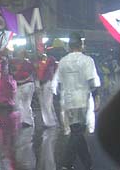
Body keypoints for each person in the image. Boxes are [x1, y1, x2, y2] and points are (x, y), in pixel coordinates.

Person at [53, 32, 100, 170]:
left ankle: (87, 162)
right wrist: (96, 96)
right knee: (78, 132)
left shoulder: (62, 61)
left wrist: (60, 100)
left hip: (68, 101)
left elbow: (59, 83)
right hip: (81, 100)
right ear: (81, 44)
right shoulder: (87, 60)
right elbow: (91, 80)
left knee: (76, 130)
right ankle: (66, 163)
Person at [11, 49, 35, 127]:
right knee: (17, 103)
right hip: (19, 85)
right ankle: (22, 119)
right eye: (18, 54)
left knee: (26, 103)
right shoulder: (15, 63)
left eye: (21, 54)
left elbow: (31, 73)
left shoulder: (28, 64)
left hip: (27, 84)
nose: (19, 55)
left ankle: (28, 121)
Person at [35, 53, 58, 127]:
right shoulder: (37, 63)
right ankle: (51, 121)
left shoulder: (50, 62)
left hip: (47, 83)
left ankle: (50, 122)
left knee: (47, 103)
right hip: (41, 83)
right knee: (45, 104)